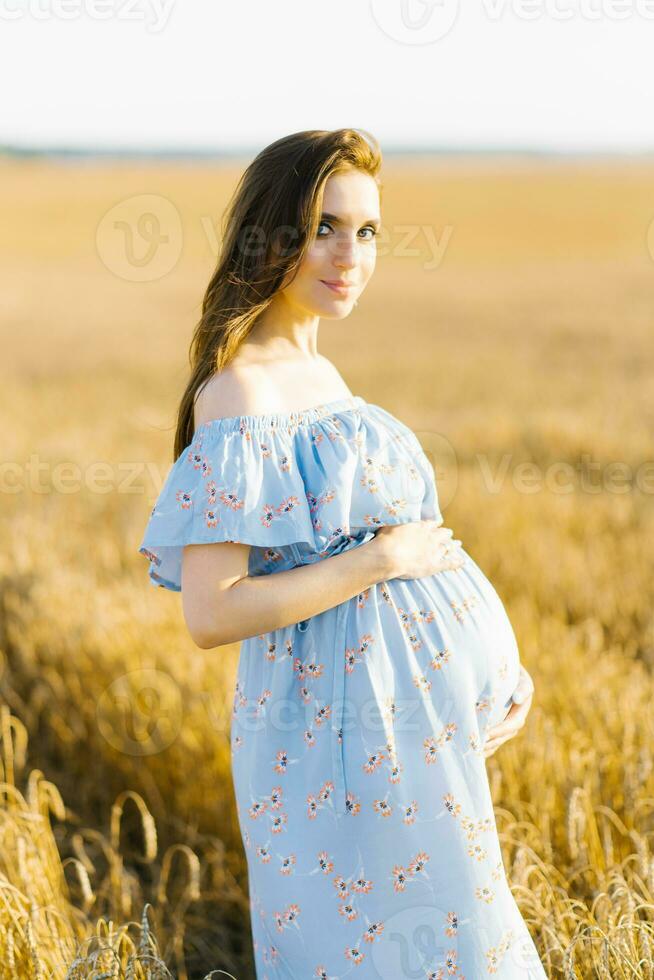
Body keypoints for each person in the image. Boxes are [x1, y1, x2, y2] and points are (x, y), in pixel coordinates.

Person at [139, 129, 546, 978]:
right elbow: (213, 613)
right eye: (325, 226)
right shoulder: (240, 393)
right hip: (334, 751)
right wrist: (379, 561)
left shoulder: (322, 376)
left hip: (412, 738)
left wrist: (492, 679)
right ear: (270, 232)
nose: (349, 255)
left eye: (367, 233)